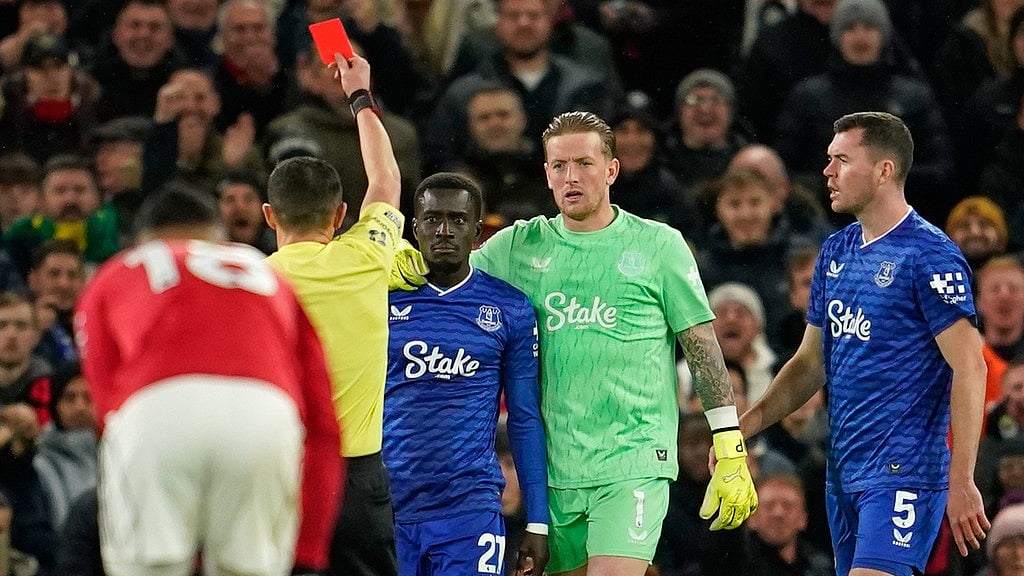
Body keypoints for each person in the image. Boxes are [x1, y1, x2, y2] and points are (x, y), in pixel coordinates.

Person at [470, 110, 757, 576]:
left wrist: (728, 440)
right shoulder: (517, 248)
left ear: (611, 169)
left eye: (584, 163)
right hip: (550, 468)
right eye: (559, 166)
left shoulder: (659, 246)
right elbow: (448, 283)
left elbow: (701, 346)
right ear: (546, 174)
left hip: (633, 460)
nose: (571, 177)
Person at [740, 111, 990, 576]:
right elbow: (810, 364)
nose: (827, 172)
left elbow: (971, 366)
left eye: (841, 160)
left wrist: (962, 479)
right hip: (844, 473)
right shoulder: (836, 251)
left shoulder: (930, 257)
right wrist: (744, 425)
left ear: (884, 170)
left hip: (905, 473)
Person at [75, 184, 342, 576]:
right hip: (264, 415)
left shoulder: (118, 272)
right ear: (219, 235)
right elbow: (321, 414)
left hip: (155, 410)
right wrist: (310, 548)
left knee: (150, 567)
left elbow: (105, 400)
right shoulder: (264, 272)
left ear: (143, 240)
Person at [263, 53, 409, 576]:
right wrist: (360, 97)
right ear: (342, 214)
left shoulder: (259, 284)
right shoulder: (368, 256)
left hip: (281, 475)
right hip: (358, 479)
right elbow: (386, 180)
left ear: (269, 215)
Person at [384, 172, 549, 575]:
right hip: (388, 505)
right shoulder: (378, 298)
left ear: (477, 232)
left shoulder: (509, 308)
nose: (443, 230)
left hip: (469, 508)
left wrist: (537, 520)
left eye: (457, 221)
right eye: (432, 219)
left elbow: (525, 417)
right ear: (414, 225)